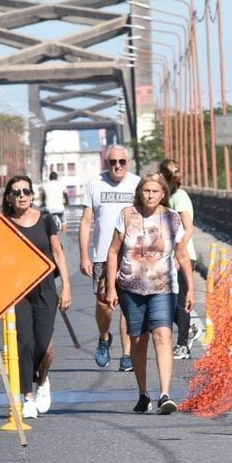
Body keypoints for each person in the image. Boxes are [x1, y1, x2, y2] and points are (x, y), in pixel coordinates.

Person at [106, 173, 194, 414]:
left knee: (163, 335)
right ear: (140, 193)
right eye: (146, 191)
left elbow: (182, 254)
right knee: (138, 340)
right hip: (131, 287)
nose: (151, 195)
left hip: (162, 287)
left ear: (163, 193)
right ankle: (143, 393)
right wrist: (110, 287)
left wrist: (191, 289)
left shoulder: (171, 218)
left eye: (155, 191)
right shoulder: (127, 215)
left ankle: (165, 394)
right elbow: (113, 251)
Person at [2, 176, 72, 419]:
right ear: (9, 198)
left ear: (32, 195)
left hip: (45, 288)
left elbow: (58, 253)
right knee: (24, 343)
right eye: (16, 192)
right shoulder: (4, 223)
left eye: (26, 191)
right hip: (18, 291)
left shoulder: (45, 219)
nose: (21, 195)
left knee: (43, 344)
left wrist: (66, 287)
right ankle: (27, 397)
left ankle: (42, 381)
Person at [78, 144, 139, 371]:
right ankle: (104, 338)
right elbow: (86, 222)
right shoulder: (95, 184)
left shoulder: (137, 184)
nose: (117, 166)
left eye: (121, 162)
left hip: (132, 255)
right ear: (106, 163)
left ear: (127, 162)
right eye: (112, 162)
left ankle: (127, 355)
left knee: (128, 306)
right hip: (103, 256)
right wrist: (84, 255)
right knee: (105, 305)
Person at [159, 159, 203, 359]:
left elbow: (189, 226)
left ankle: (183, 345)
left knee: (179, 300)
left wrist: (179, 251)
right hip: (170, 256)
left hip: (183, 256)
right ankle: (190, 328)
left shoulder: (179, 196)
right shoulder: (167, 197)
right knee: (166, 302)